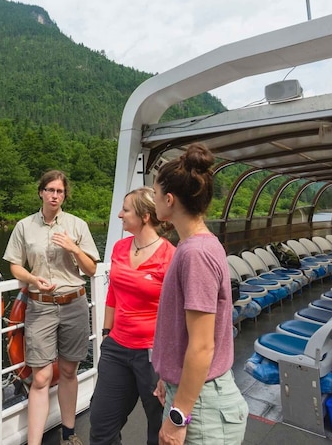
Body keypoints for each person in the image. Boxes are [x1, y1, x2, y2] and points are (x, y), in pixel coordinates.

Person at [150, 143, 248, 445]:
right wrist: (170, 379)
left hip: (202, 409)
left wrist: (178, 416)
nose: (153, 200)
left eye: (154, 194)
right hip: (193, 394)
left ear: (169, 199)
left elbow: (203, 346)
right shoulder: (196, 246)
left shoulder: (196, 254)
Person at [3, 170, 100, 445]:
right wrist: (32, 279)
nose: (55, 195)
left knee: (69, 370)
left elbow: (91, 268)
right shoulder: (24, 227)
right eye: (50, 190)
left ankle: (68, 433)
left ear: (64, 195)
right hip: (40, 306)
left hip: (74, 304)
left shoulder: (77, 225)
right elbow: (14, 265)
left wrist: (74, 248)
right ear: (41, 192)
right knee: (41, 376)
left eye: (60, 191)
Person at [89, 187, 175, 445]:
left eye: (125, 210)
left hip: (153, 354)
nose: (119, 215)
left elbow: (175, 315)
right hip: (116, 348)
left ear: (145, 216)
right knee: (101, 424)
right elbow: (113, 293)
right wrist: (106, 334)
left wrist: (167, 367)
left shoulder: (169, 255)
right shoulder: (120, 248)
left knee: (158, 427)